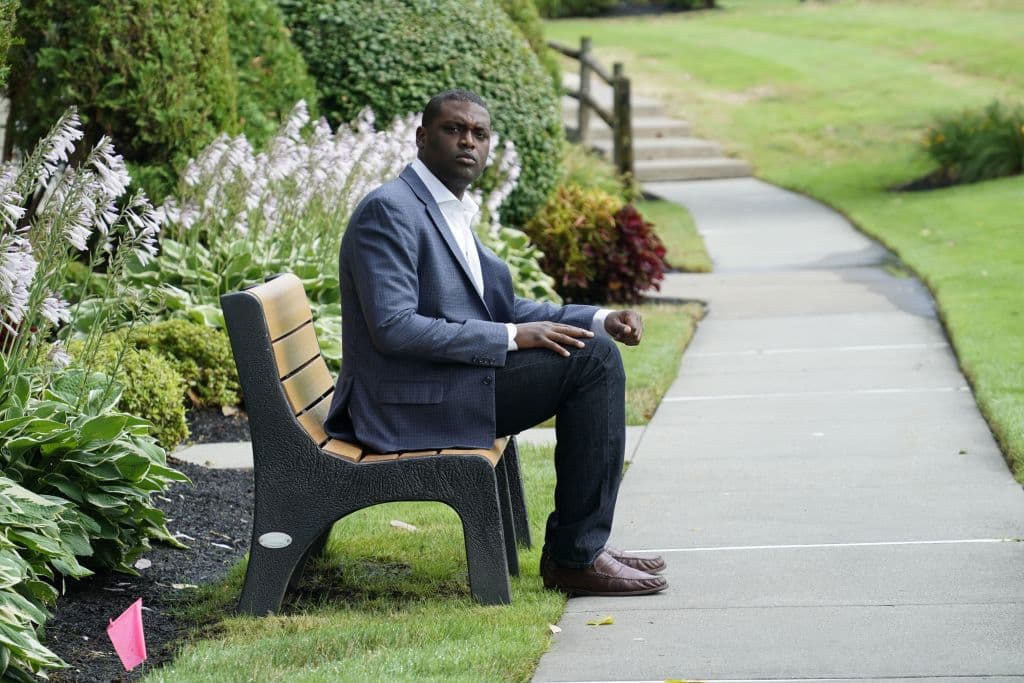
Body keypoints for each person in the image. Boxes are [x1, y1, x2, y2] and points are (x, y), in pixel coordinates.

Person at [324, 89, 667, 597]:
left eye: (479, 134)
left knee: (594, 348)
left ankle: (583, 546)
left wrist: (598, 317)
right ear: (422, 137)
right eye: (453, 130)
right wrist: (510, 337)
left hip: (438, 385)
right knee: (591, 364)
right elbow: (393, 326)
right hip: (403, 404)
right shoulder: (390, 211)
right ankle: (575, 555)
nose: (468, 142)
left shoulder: (444, 209)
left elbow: (503, 305)